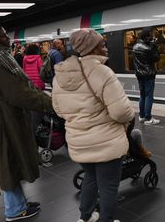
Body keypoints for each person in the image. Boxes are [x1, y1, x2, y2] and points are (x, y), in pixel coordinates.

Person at [52, 29, 135, 222]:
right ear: (91, 48)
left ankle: (85, 217)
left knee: (90, 178)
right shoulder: (102, 72)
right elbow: (122, 112)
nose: (106, 48)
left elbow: (58, 110)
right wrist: (128, 116)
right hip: (106, 141)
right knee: (108, 186)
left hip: (78, 141)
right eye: (102, 44)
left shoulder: (61, 75)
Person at [0, 22, 53, 221]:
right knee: (8, 161)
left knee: (10, 160)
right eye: (3, 35)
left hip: (6, 117)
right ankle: (14, 210)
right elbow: (20, 93)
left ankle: (19, 203)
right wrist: (52, 104)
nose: (7, 38)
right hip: (5, 121)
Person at [132, 27, 161, 125]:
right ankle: (148, 118)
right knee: (149, 96)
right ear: (147, 37)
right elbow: (156, 58)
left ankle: (141, 116)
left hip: (139, 74)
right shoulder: (148, 48)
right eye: (150, 36)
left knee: (142, 95)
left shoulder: (135, 46)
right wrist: (154, 46)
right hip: (148, 74)